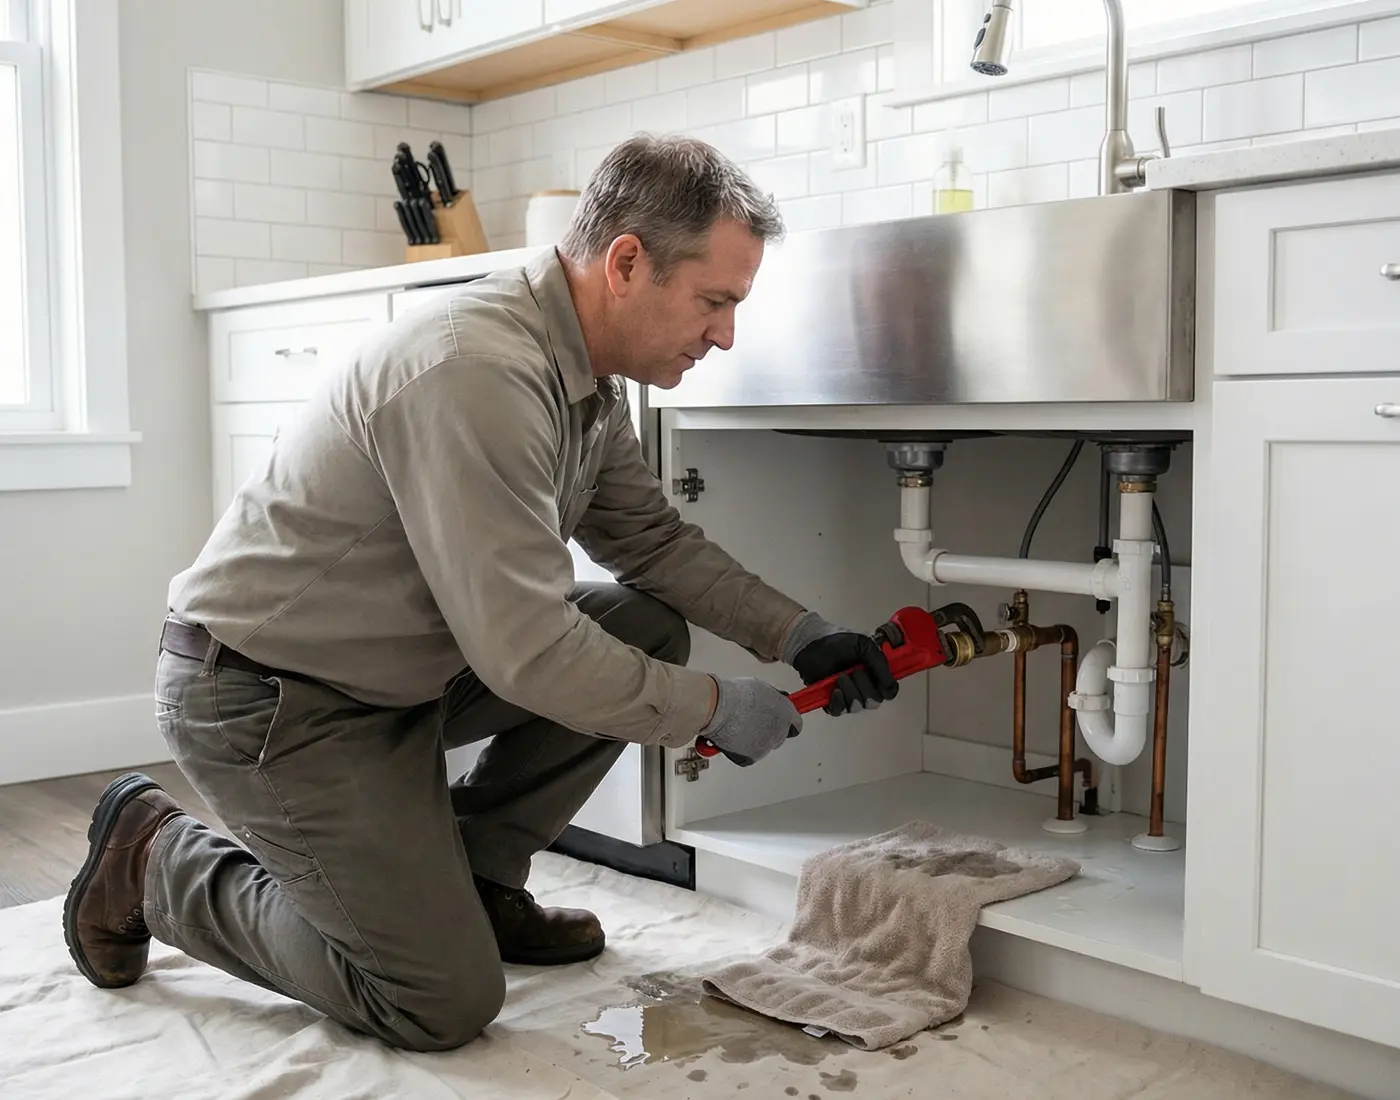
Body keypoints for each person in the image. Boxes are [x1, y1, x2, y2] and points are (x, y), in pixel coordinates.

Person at [62, 134, 897, 1052]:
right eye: (714, 301)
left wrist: (800, 633)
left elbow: (651, 542)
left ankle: (476, 878)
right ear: (627, 263)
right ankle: (153, 858)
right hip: (268, 697)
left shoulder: (585, 378)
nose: (726, 333)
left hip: (399, 676)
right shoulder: (478, 371)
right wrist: (713, 709)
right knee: (438, 1000)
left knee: (642, 626)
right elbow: (529, 652)